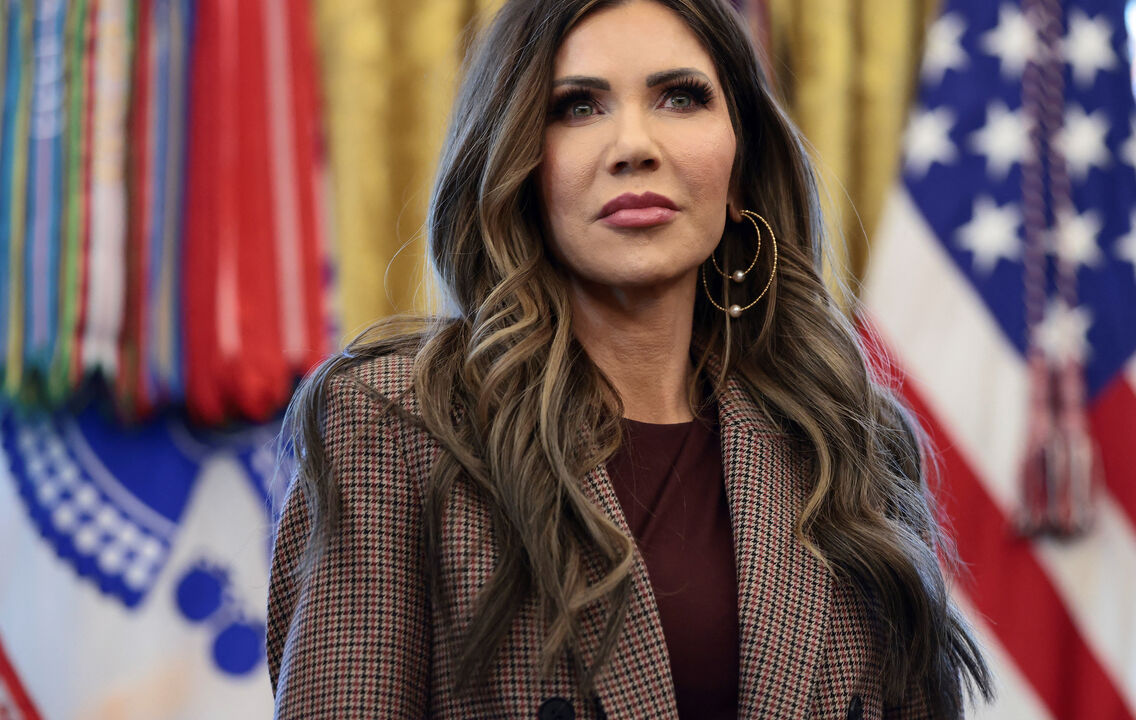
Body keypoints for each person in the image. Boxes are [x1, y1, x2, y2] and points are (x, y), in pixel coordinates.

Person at [266, 0, 994, 717]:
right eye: (578, 107)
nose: (634, 145)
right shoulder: (390, 428)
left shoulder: (848, 441)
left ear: (740, 170)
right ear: (519, 164)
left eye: (681, 98)